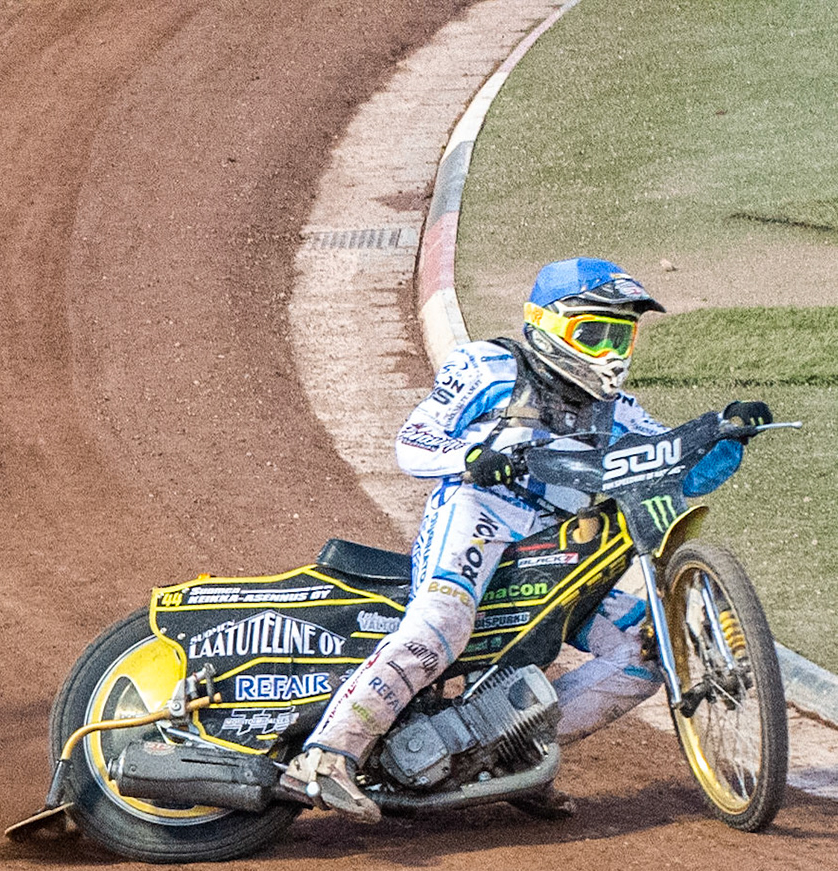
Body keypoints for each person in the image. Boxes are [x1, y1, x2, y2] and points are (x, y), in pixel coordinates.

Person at [280, 257, 768, 822]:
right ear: (548, 324)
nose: (610, 351)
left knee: (645, 651)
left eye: (621, 334)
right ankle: (325, 755)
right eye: (594, 332)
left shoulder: (619, 409)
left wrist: (729, 436)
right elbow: (413, 440)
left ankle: (508, 753)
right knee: (442, 625)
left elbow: (678, 472)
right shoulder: (488, 366)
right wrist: (468, 457)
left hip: (556, 545)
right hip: (478, 514)